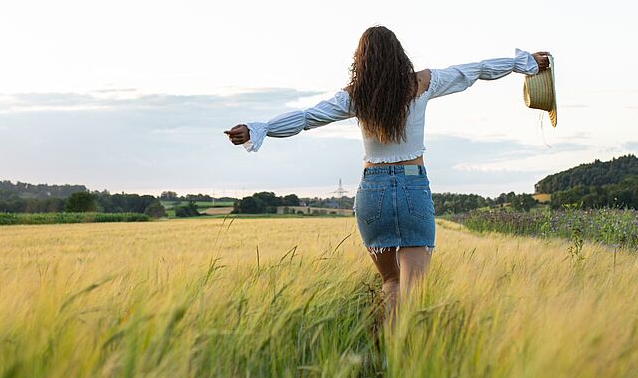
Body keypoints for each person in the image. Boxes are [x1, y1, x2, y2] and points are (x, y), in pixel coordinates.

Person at [224, 25, 551, 323]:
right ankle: (410, 357)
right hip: (412, 187)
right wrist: (525, 63)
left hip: (373, 193)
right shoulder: (423, 83)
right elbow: (476, 71)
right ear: (399, 54)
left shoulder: (355, 97)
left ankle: (387, 358)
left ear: (361, 61)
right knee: (415, 292)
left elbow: (308, 117)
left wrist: (260, 128)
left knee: (391, 283)